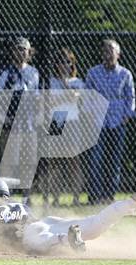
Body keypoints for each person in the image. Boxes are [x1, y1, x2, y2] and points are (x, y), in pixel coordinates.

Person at [0, 178, 136, 254]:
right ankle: (131, 202)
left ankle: (67, 239)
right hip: (47, 221)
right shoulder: (13, 204)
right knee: (94, 224)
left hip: (32, 230)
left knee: (39, 244)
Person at [86, 40, 135, 205]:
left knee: (114, 162)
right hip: (97, 123)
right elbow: (87, 96)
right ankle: (94, 197)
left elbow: (131, 97)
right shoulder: (93, 73)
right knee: (95, 161)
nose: (107, 54)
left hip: (118, 122)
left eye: (111, 51)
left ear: (118, 54)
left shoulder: (125, 74)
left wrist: (127, 116)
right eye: (105, 51)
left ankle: (109, 196)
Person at [0, 37, 40, 204]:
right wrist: (2, 118)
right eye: (18, 48)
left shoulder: (34, 73)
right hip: (11, 126)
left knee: (29, 162)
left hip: (29, 125)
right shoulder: (6, 73)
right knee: (9, 162)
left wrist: (37, 118)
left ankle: (26, 198)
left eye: (24, 49)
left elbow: (37, 98)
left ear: (29, 52)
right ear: (13, 52)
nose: (21, 52)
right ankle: (7, 198)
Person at [45, 48, 85, 207]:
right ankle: (55, 199)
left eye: (68, 62)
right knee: (54, 161)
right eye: (61, 61)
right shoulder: (50, 81)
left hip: (72, 122)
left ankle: (76, 198)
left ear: (72, 64)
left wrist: (64, 84)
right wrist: (66, 96)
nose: (64, 64)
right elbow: (49, 102)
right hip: (56, 121)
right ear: (56, 63)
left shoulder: (78, 82)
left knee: (74, 161)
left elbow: (76, 97)